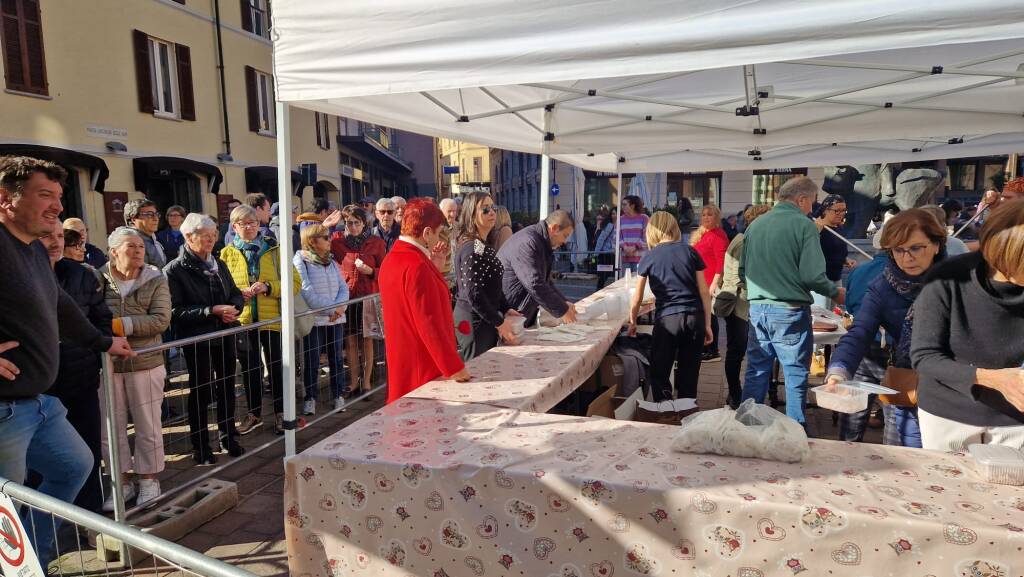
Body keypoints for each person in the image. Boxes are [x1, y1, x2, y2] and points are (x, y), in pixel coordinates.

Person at [0, 156, 132, 564]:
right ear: (5, 198)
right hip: (4, 409)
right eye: (46, 195)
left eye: (59, 196)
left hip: (40, 405)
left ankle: (30, 559)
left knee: (74, 467)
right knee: (6, 507)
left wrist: (102, 342)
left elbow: (61, 307)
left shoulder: (34, 252)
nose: (58, 206)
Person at [825, 209, 947, 447]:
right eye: (898, 250)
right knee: (904, 452)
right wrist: (838, 371)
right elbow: (860, 331)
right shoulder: (883, 285)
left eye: (916, 248)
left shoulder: (958, 281)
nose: (907, 257)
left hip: (950, 387)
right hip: (908, 378)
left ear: (936, 245)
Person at [912, 202, 1024, 451]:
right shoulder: (948, 277)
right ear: (1005, 253)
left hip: (1016, 419)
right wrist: (993, 378)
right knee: (946, 487)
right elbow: (924, 357)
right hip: (947, 414)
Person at [739, 176, 845, 426]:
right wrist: (835, 292)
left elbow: (743, 270)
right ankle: (795, 432)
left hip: (758, 308)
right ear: (801, 199)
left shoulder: (756, 224)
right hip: (788, 309)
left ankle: (745, 427)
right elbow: (812, 275)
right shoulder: (804, 225)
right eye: (813, 203)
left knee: (756, 371)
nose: (813, 209)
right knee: (795, 374)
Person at [41, 221, 112, 513]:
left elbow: (102, 319)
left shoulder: (84, 275)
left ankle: (91, 518)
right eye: (48, 235)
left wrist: (94, 356)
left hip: (81, 379)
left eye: (60, 236)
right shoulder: (18, 276)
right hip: (40, 386)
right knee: (43, 460)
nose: (56, 242)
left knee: (89, 451)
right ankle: (47, 521)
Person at [100, 227, 172, 508]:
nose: (138, 250)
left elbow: (160, 320)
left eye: (140, 246)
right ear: (114, 251)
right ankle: (121, 483)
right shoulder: (98, 277)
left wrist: (119, 326)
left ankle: (149, 480)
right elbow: (89, 313)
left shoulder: (155, 278)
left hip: (146, 361)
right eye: (130, 246)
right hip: (108, 364)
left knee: (148, 424)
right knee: (111, 426)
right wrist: (107, 335)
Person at [164, 213, 244, 465]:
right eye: (205, 236)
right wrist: (211, 311)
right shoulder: (174, 270)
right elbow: (175, 311)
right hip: (198, 338)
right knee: (200, 390)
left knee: (227, 387)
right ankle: (201, 445)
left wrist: (234, 309)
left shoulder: (218, 263)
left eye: (214, 235)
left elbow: (234, 293)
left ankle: (227, 435)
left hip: (224, 333)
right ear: (189, 237)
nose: (211, 240)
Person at [379, 198, 470, 403]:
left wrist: (434, 267)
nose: (438, 238)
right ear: (426, 232)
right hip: (422, 364)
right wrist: (454, 367)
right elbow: (428, 322)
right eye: (437, 232)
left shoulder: (394, 258)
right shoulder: (416, 265)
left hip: (405, 357)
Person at [221, 205, 300, 436]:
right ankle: (254, 414)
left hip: (272, 319)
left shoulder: (275, 250)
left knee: (277, 368)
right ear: (234, 227)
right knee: (249, 369)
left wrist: (268, 287)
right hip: (244, 320)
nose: (249, 227)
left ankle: (280, 413)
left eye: (253, 222)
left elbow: (294, 283)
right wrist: (238, 294)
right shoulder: (226, 254)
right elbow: (222, 289)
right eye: (243, 223)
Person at [627, 212, 712, 401]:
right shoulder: (690, 251)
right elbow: (704, 292)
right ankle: (687, 415)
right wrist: (707, 323)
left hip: (667, 319)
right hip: (693, 317)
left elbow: (637, 297)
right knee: (689, 373)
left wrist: (633, 321)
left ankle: (665, 414)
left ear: (651, 232)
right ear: (674, 228)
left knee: (660, 372)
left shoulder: (649, 257)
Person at [713, 204, 771, 407]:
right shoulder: (744, 241)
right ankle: (736, 394)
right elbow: (741, 276)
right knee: (736, 352)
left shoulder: (745, 238)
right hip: (738, 304)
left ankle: (736, 394)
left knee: (736, 352)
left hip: (740, 302)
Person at [452, 192, 522, 360]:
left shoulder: (480, 245)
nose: (492, 212)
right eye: (485, 209)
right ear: (471, 214)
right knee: (478, 370)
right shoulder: (472, 247)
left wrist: (505, 308)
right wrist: (499, 322)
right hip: (474, 319)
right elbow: (473, 293)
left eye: (493, 208)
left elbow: (491, 283)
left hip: (483, 316)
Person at [331, 205, 387, 396]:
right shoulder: (338, 242)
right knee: (351, 342)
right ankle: (354, 382)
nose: (353, 226)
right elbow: (314, 242)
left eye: (357, 222)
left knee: (367, 341)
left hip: (368, 297)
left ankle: (367, 382)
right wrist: (325, 225)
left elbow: (386, 271)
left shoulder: (376, 243)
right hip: (348, 298)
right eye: (349, 223)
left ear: (364, 224)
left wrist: (371, 271)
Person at [294, 223, 350, 414]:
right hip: (315, 319)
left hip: (336, 319)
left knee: (336, 357)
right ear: (312, 241)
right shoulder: (301, 261)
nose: (330, 240)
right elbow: (306, 291)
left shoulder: (331, 261)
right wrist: (332, 309)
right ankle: (310, 397)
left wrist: (340, 308)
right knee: (312, 359)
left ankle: (338, 395)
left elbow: (344, 287)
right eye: (325, 237)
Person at [497, 210, 578, 325]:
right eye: (565, 236)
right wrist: (562, 310)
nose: (564, 241)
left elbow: (545, 282)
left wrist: (563, 302)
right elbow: (535, 283)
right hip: (507, 316)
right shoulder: (528, 242)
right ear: (554, 228)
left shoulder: (540, 242)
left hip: (516, 314)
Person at [691, 203, 729, 363]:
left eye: (710, 214)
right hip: (699, 282)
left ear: (717, 217)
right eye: (704, 214)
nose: (706, 217)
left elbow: (721, 263)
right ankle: (705, 348)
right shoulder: (703, 234)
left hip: (709, 283)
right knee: (704, 315)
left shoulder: (718, 235)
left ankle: (712, 351)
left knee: (709, 316)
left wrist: (714, 283)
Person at [814, 194, 857, 285]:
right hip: (822, 279)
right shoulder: (818, 228)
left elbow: (835, 251)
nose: (841, 214)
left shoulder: (839, 227)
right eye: (837, 211)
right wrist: (816, 232)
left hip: (837, 277)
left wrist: (845, 260)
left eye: (843, 210)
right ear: (826, 210)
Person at [124, 198, 167, 268]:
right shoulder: (128, 242)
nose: (155, 218)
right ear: (133, 219)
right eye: (149, 214)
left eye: (156, 214)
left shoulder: (153, 239)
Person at [619, 195, 649, 273]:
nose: (622, 207)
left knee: (638, 283)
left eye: (625, 204)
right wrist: (624, 247)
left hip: (641, 258)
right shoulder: (620, 219)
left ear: (632, 206)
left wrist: (635, 247)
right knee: (625, 283)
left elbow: (647, 237)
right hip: (625, 258)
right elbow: (616, 237)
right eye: (622, 204)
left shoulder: (644, 218)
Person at [439, 197, 460, 291]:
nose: (453, 214)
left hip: (458, 279)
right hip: (444, 279)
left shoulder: (459, 227)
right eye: (449, 211)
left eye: (455, 211)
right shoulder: (437, 230)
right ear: (441, 212)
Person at [594, 207, 617, 290]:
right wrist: (596, 253)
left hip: (614, 253)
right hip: (606, 253)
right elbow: (601, 239)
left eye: (615, 213)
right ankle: (598, 290)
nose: (614, 216)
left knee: (610, 272)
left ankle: (600, 289)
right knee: (604, 274)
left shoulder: (619, 225)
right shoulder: (610, 226)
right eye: (612, 214)